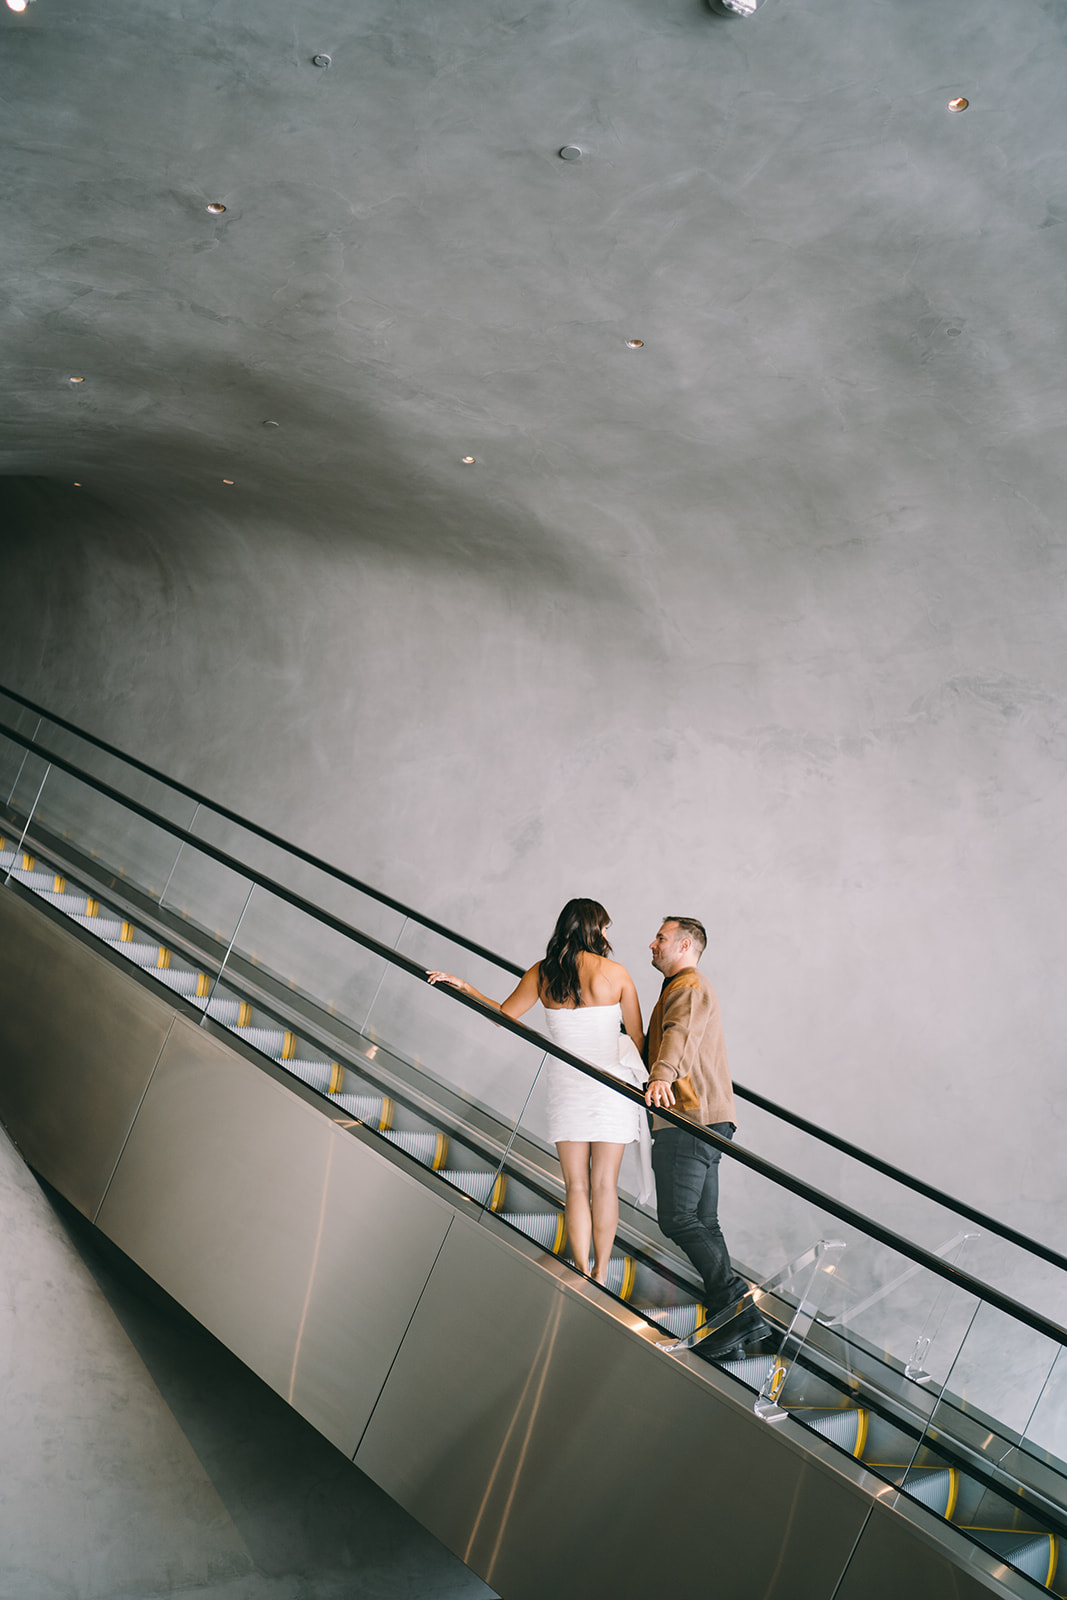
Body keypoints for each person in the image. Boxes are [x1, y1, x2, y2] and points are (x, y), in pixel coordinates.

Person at [427, 898, 651, 1285]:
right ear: (595, 929)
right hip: (612, 1087)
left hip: (567, 1086)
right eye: (606, 928)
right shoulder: (615, 974)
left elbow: (502, 1016)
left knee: (576, 1185)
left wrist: (465, 987)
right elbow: (638, 1038)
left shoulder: (543, 973)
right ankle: (601, 1270)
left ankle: (581, 1269)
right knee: (604, 1185)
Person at [644, 916, 769, 1356]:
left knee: (677, 1218)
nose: (652, 944)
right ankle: (733, 1325)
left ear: (684, 945)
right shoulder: (684, 987)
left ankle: (740, 1311)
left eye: (660, 938)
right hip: (709, 1118)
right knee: (703, 1221)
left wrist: (661, 1076)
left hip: (689, 1117)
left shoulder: (687, 987)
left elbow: (679, 1035)